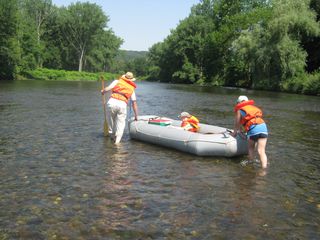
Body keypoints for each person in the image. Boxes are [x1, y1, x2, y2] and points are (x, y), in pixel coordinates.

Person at [231, 96, 268, 168]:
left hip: (253, 129)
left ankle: (251, 164)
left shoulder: (240, 110)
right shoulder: (253, 108)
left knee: (251, 148)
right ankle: (264, 169)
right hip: (263, 127)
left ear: (239, 102)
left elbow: (237, 124)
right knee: (261, 151)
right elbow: (251, 120)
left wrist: (235, 133)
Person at [101, 72, 138, 144]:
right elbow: (134, 103)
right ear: (131, 80)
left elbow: (107, 89)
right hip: (122, 105)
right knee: (120, 125)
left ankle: (111, 134)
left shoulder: (117, 81)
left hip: (112, 103)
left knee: (111, 121)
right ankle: (117, 142)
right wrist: (136, 115)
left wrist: (103, 91)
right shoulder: (132, 88)